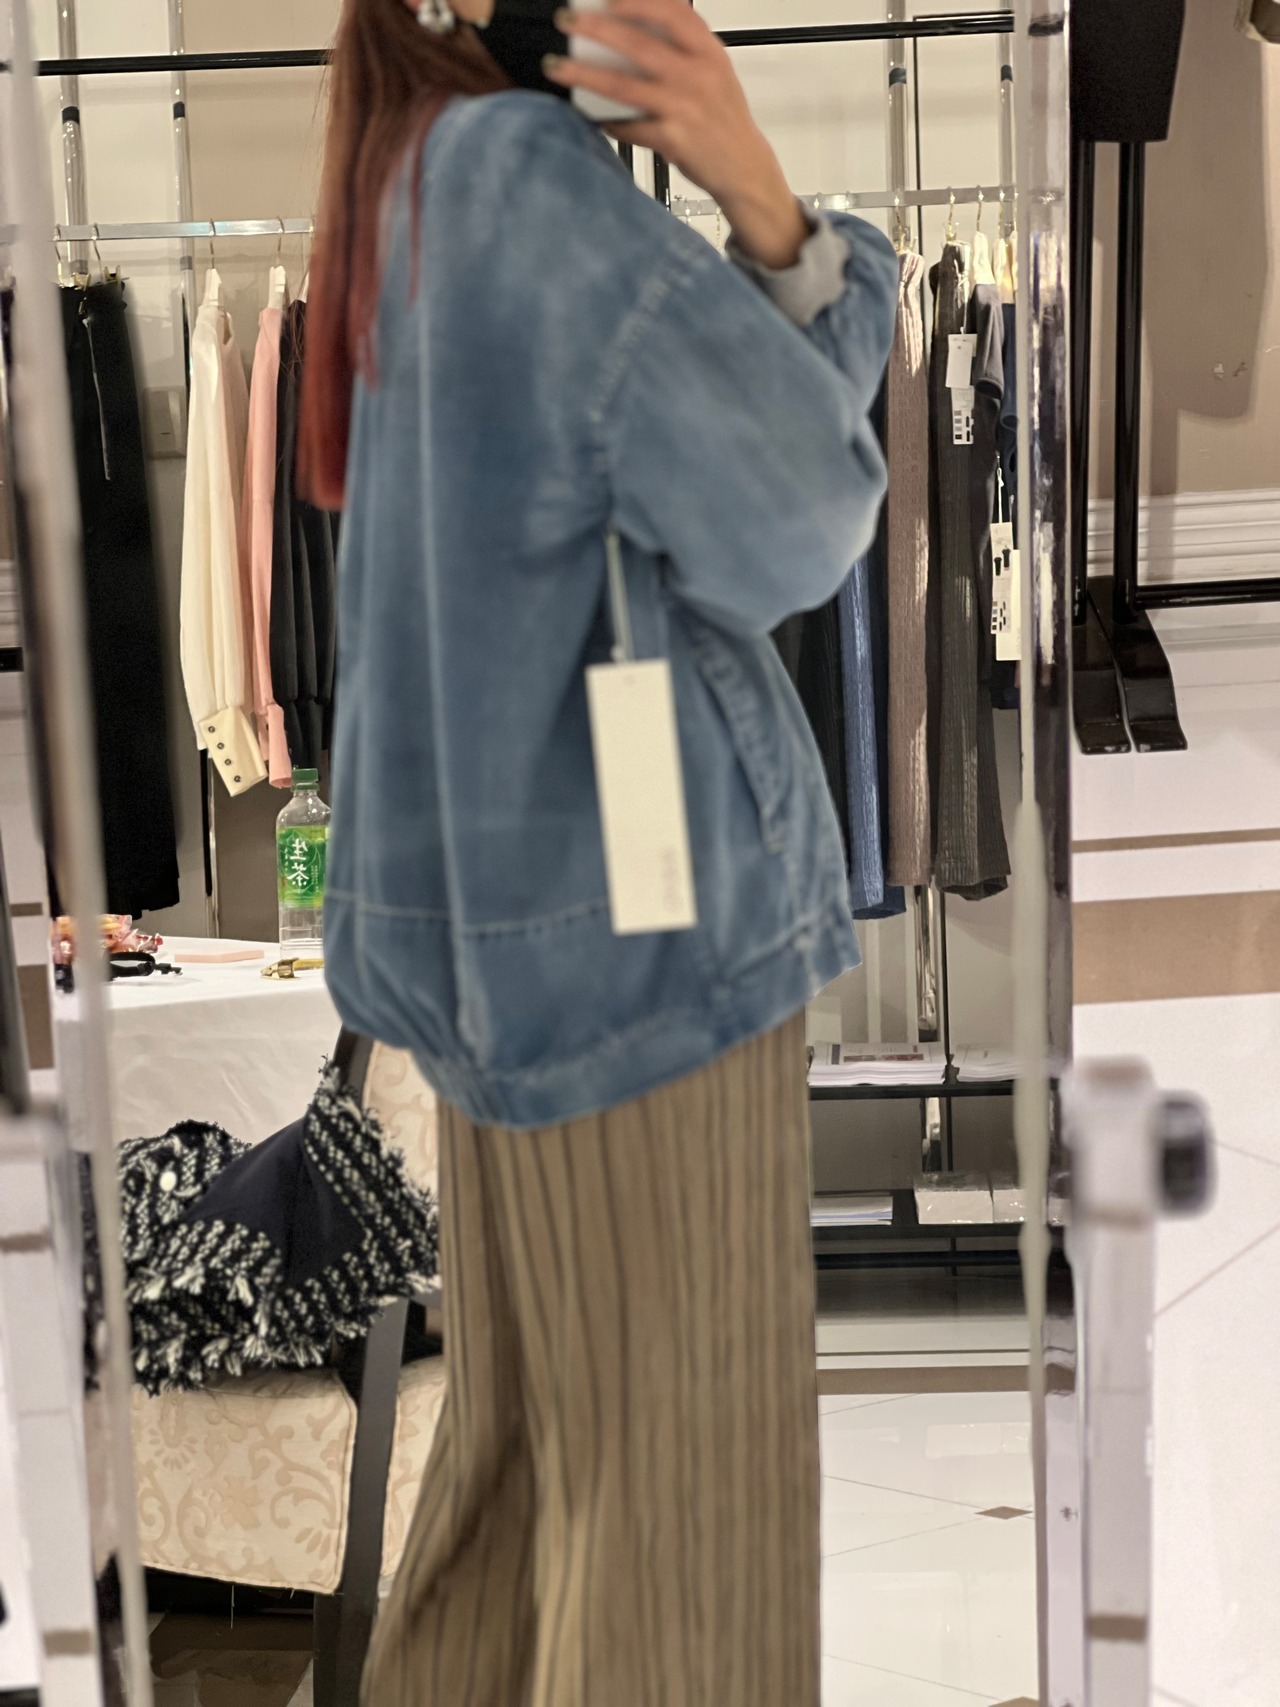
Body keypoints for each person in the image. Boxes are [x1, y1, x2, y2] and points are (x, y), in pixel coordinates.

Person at [299, 0, 896, 1700]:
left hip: (521, 959)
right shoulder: (528, 185)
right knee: (676, 1546)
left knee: (529, 1484)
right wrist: (768, 201)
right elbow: (801, 509)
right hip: (649, 950)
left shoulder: (413, 170)